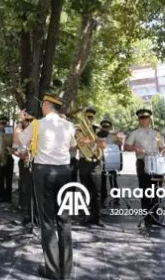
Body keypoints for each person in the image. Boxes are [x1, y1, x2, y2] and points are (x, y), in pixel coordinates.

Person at [15, 93, 76, 280]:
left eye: (43, 104)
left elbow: (19, 141)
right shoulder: (69, 125)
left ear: (48, 105)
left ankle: (52, 271)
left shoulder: (37, 124)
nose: (42, 106)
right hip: (65, 172)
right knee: (64, 221)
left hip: (43, 173)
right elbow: (73, 146)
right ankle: (66, 271)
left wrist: (18, 122)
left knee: (48, 222)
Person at [123, 109, 165, 227]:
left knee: (156, 191)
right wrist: (135, 149)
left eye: (146, 118)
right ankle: (147, 218)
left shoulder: (157, 133)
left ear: (149, 119)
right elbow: (126, 147)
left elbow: (161, 148)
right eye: (141, 118)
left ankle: (156, 218)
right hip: (142, 162)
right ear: (139, 120)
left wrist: (164, 151)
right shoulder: (135, 133)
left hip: (156, 164)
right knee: (145, 191)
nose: (144, 120)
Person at [74, 119, 106, 228]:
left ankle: (97, 217)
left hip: (95, 162)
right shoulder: (78, 132)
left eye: (91, 117)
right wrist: (82, 142)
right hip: (84, 162)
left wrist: (92, 141)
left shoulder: (97, 130)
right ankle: (86, 216)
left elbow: (103, 145)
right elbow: (75, 146)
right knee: (85, 191)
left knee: (97, 192)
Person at [14, 113, 38, 226]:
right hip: (25, 163)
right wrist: (22, 155)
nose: (28, 122)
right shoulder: (21, 132)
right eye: (26, 120)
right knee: (27, 190)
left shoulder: (38, 131)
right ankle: (28, 214)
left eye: (31, 120)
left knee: (37, 191)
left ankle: (37, 216)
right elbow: (15, 145)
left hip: (37, 163)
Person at [98, 120, 122, 207]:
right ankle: (103, 200)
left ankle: (116, 199)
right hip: (101, 162)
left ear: (110, 128)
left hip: (111, 161)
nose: (106, 129)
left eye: (107, 127)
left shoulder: (112, 136)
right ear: (101, 127)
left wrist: (118, 138)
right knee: (102, 182)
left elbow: (119, 144)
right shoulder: (97, 135)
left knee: (113, 181)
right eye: (104, 127)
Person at [0, 116, 14, 203]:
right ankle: (2, 197)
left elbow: (14, 144)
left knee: (9, 179)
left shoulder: (10, 133)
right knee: (1, 178)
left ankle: (8, 197)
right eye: (1, 124)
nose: (3, 125)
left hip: (8, 157)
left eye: (5, 123)